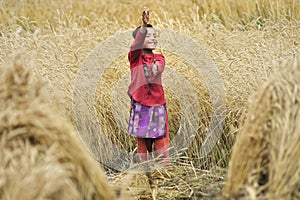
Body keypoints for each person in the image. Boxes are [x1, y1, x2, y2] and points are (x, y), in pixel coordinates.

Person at [127, 10, 169, 166]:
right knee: (143, 140)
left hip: (157, 104)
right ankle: (144, 170)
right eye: (148, 36)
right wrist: (143, 26)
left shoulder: (159, 57)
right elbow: (136, 46)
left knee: (160, 139)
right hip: (140, 104)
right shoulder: (135, 58)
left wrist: (154, 68)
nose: (153, 38)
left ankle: (163, 169)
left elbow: (159, 67)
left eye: (154, 36)